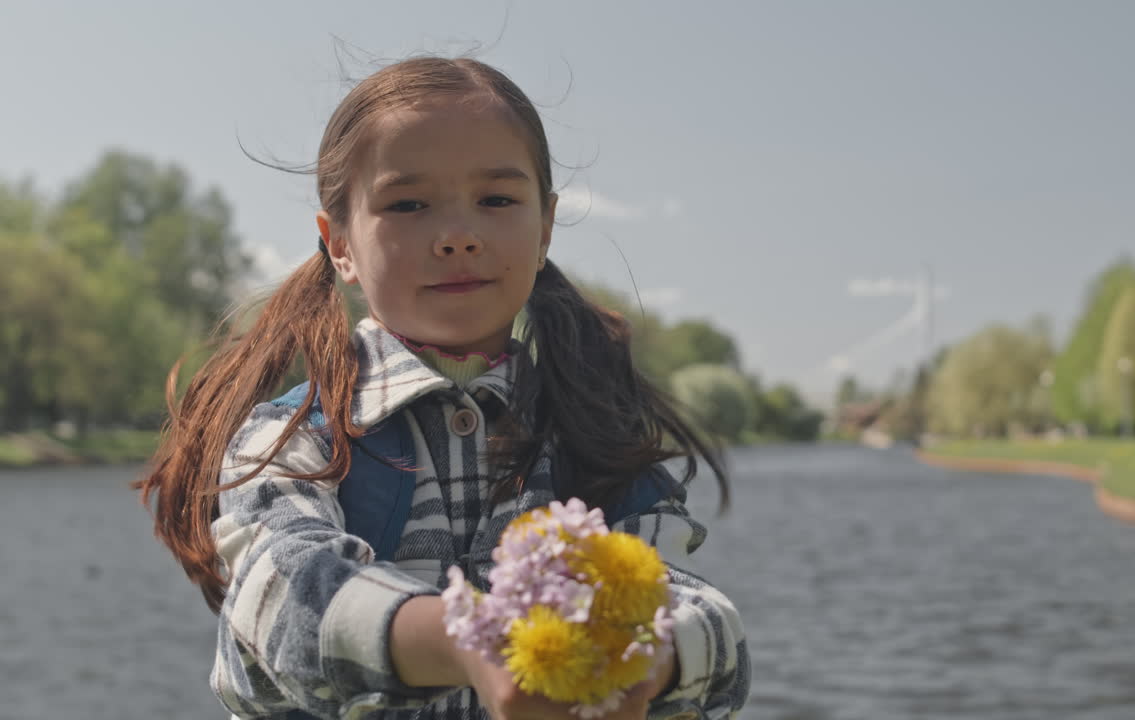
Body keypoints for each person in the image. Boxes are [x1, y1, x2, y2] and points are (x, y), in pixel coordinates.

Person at [135, 56, 750, 720]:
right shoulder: (294, 440)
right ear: (338, 243)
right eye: (408, 204)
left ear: (544, 227)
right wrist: (468, 642)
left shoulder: (594, 436)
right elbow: (285, 596)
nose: (458, 236)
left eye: (496, 199)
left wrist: (651, 660)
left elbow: (699, 614)